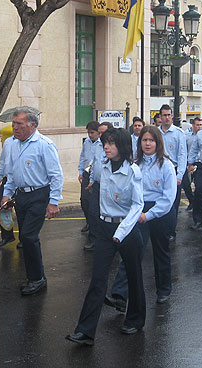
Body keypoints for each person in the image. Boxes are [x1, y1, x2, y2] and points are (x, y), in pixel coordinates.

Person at [66, 128, 146, 346]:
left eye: (111, 143)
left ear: (122, 146)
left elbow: (137, 206)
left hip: (127, 230)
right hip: (104, 228)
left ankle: (135, 320)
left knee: (134, 276)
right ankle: (85, 331)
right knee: (98, 279)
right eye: (104, 143)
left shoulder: (133, 172)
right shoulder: (102, 166)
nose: (106, 147)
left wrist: (121, 232)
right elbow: (95, 186)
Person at [106, 126, 177, 312]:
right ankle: (120, 295)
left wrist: (149, 214)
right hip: (139, 209)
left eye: (151, 140)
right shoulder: (135, 164)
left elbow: (168, 198)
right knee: (133, 252)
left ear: (158, 143)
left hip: (160, 211)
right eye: (144, 140)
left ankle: (163, 289)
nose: (147, 144)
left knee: (161, 251)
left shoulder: (166, 165)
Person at [1, 108, 64, 295]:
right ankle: (33, 276)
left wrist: (53, 202)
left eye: (19, 124)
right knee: (24, 238)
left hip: (39, 195)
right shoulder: (13, 144)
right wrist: (7, 194)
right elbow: (11, 173)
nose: (15, 127)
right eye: (13, 124)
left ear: (32, 125)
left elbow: (56, 175)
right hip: (21, 196)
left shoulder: (44, 144)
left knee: (29, 236)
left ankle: (37, 278)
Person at [158, 105, 187, 240]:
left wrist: (179, 175)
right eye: (164, 115)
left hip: (173, 171)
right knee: (159, 201)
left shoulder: (179, 133)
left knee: (173, 203)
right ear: (160, 117)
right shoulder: (155, 133)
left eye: (169, 115)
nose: (167, 117)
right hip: (158, 171)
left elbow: (182, 155)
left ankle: (171, 231)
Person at [84, 122, 112, 251]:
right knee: (93, 212)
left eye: (103, 133)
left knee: (107, 215)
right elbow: (94, 164)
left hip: (109, 187)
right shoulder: (97, 146)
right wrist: (91, 180)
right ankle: (95, 240)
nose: (100, 135)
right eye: (99, 133)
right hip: (97, 185)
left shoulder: (114, 147)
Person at [78, 121, 102, 237]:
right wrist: (80, 171)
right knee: (84, 201)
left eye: (92, 132)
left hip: (95, 175)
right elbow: (83, 157)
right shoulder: (86, 142)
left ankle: (94, 230)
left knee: (93, 204)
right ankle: (88, 222)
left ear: (98, 133)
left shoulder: (101, 144)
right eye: (88, 133)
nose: (90, 135)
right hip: (86, 174)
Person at [0, 126, 17, 247]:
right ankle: (6, 236)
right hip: (7, 179)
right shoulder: (8, 141)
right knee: (3, 208)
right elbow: (2, 160)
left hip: (19, 181)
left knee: (20, 209)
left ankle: (23, 240)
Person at [181, 117, 202, 212]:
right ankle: (191, 201)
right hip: (188, 161)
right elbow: (184, 149)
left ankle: (198, 204)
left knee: (199, 185)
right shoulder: (187, 136)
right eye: (197, 125)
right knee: (186, 183)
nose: (199, 127)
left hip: (200, 162)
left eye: (200, 125)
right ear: (193, 125)